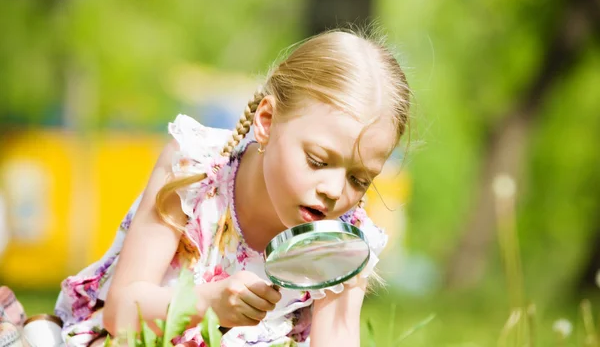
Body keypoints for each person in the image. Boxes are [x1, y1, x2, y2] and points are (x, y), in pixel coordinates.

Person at [55, 29, 411, 347]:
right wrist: (208, 303)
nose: (335, 191)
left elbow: (336, 338)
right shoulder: (195, 170)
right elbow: (122, 312)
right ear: (267, 122)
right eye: (318, 161)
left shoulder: (344, 239)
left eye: (359, 179)